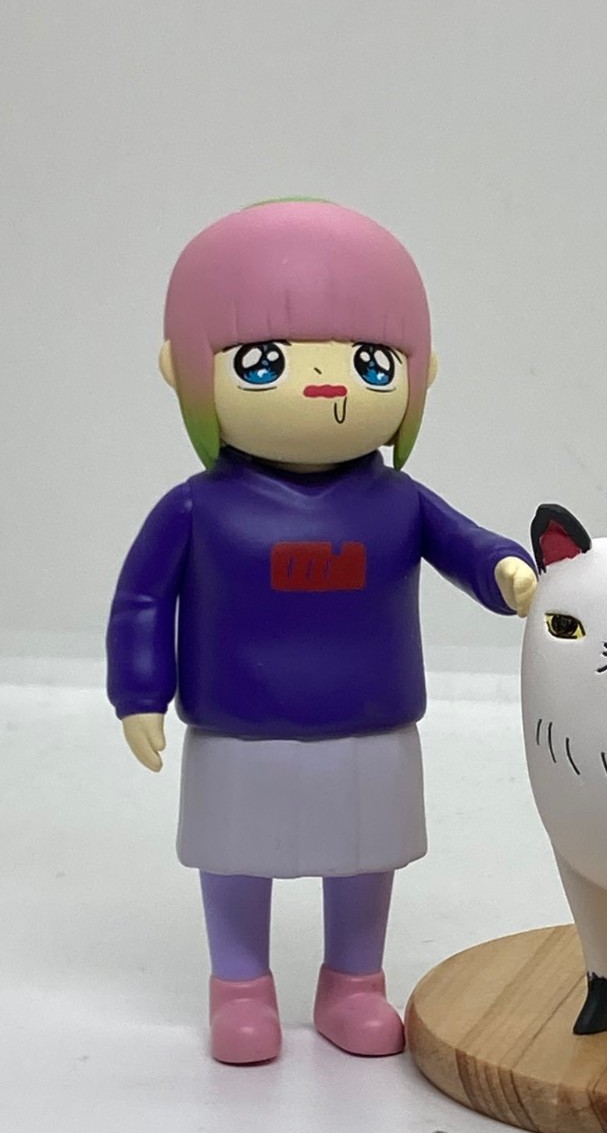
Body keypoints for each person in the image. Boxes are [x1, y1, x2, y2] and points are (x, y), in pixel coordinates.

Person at [107, 199, 537, 1065]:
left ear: (422, 374)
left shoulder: (398, 501)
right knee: (235, 856)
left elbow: (466, 545)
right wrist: (139, 692)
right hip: (237, 725)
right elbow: (142, 600)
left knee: (365, 856)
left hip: (371, 721)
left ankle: (354, 984)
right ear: (181, 369)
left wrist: (505, 570)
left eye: (370, 363)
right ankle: (239, 988)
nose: (326, 385)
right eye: (264, 361)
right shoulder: (197, 507)